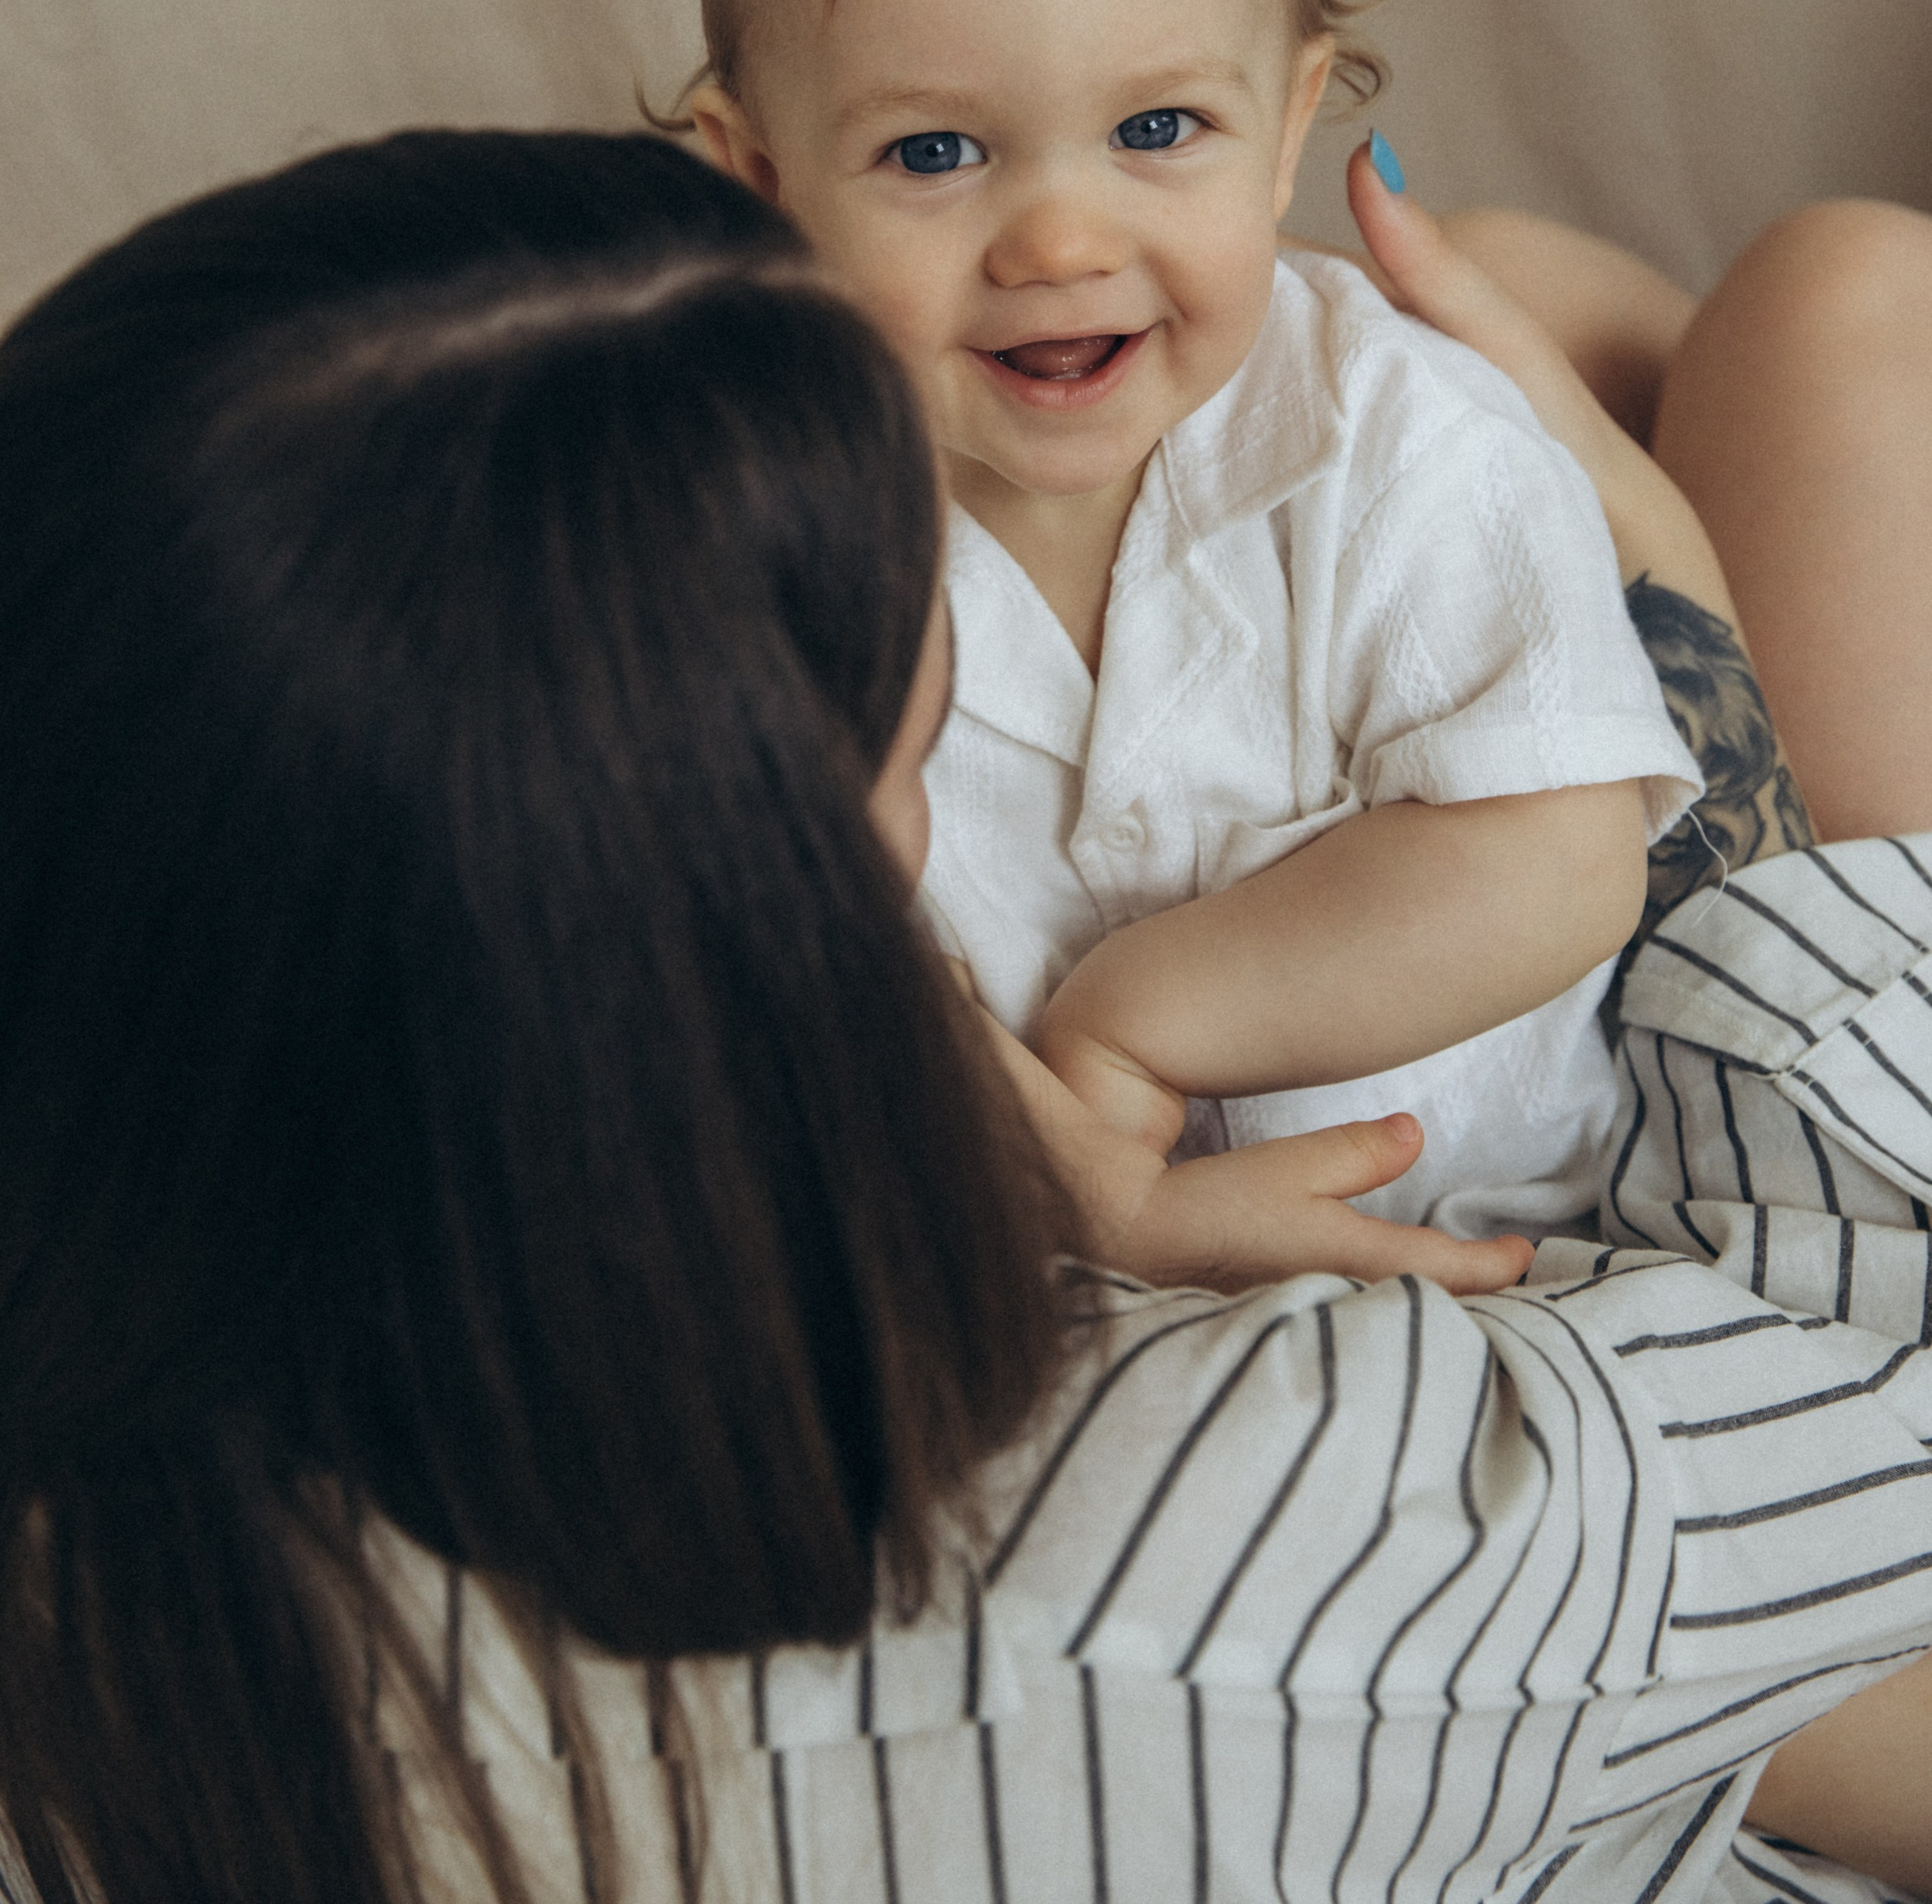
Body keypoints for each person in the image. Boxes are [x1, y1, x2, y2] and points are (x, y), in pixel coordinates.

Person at [7, 125, 1932, 1902]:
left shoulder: (122, 1573)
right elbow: (1868, 1433)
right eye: (932, 727)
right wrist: (1660, 632)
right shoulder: (1248, 1512)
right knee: (1827, 321)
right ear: (785, 907)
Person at [685, 0, 1700, 1266]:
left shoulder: (1388, 436)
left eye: (1157, 129)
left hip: (1523, 1234)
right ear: (759, 184)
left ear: (1289, 122)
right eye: (936, 156)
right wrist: (1091, 1181)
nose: (1058, 244)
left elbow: (1560, 849)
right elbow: (813, 942)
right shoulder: (755, 540)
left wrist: (1137, 1021)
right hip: (1041, 1255)